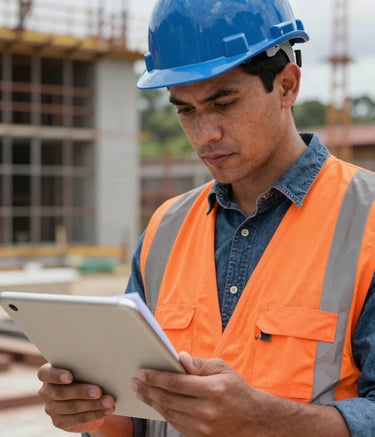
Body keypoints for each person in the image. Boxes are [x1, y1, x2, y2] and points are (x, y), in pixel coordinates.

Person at [37, 0, 375, 436]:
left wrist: (265, 420)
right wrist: (92, 410)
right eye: (186, 110)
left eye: (224, 103)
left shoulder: (366, 220)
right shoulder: (165, 229)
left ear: (287, 86)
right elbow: (136, 419)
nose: (204, 134)